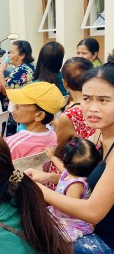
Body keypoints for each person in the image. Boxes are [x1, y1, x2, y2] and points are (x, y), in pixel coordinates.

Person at [27, 62, 114, 252]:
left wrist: (38, 189)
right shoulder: (99, 134)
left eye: (103, 100)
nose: (92, 108)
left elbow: (93, 211)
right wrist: (48, 177)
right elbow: (87, 179)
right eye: (87, 98)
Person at [44, 137, 101, 242]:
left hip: (69, 221)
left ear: (65, 158)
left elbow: (70, 209)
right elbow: (62, 168)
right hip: (59, 213)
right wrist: (52, 157)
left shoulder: (76, 185)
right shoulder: (71, 172)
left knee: (50, 236)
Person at [4, 82, 65, 160]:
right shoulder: (56, 138)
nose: (15, 106)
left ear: (39, 115)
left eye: (22, 103)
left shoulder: (12, 144)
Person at [54, 57, 95, 155]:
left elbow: (59, 150)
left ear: (65, 83)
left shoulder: (70, 115)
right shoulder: (105, 103)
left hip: (81, 166)